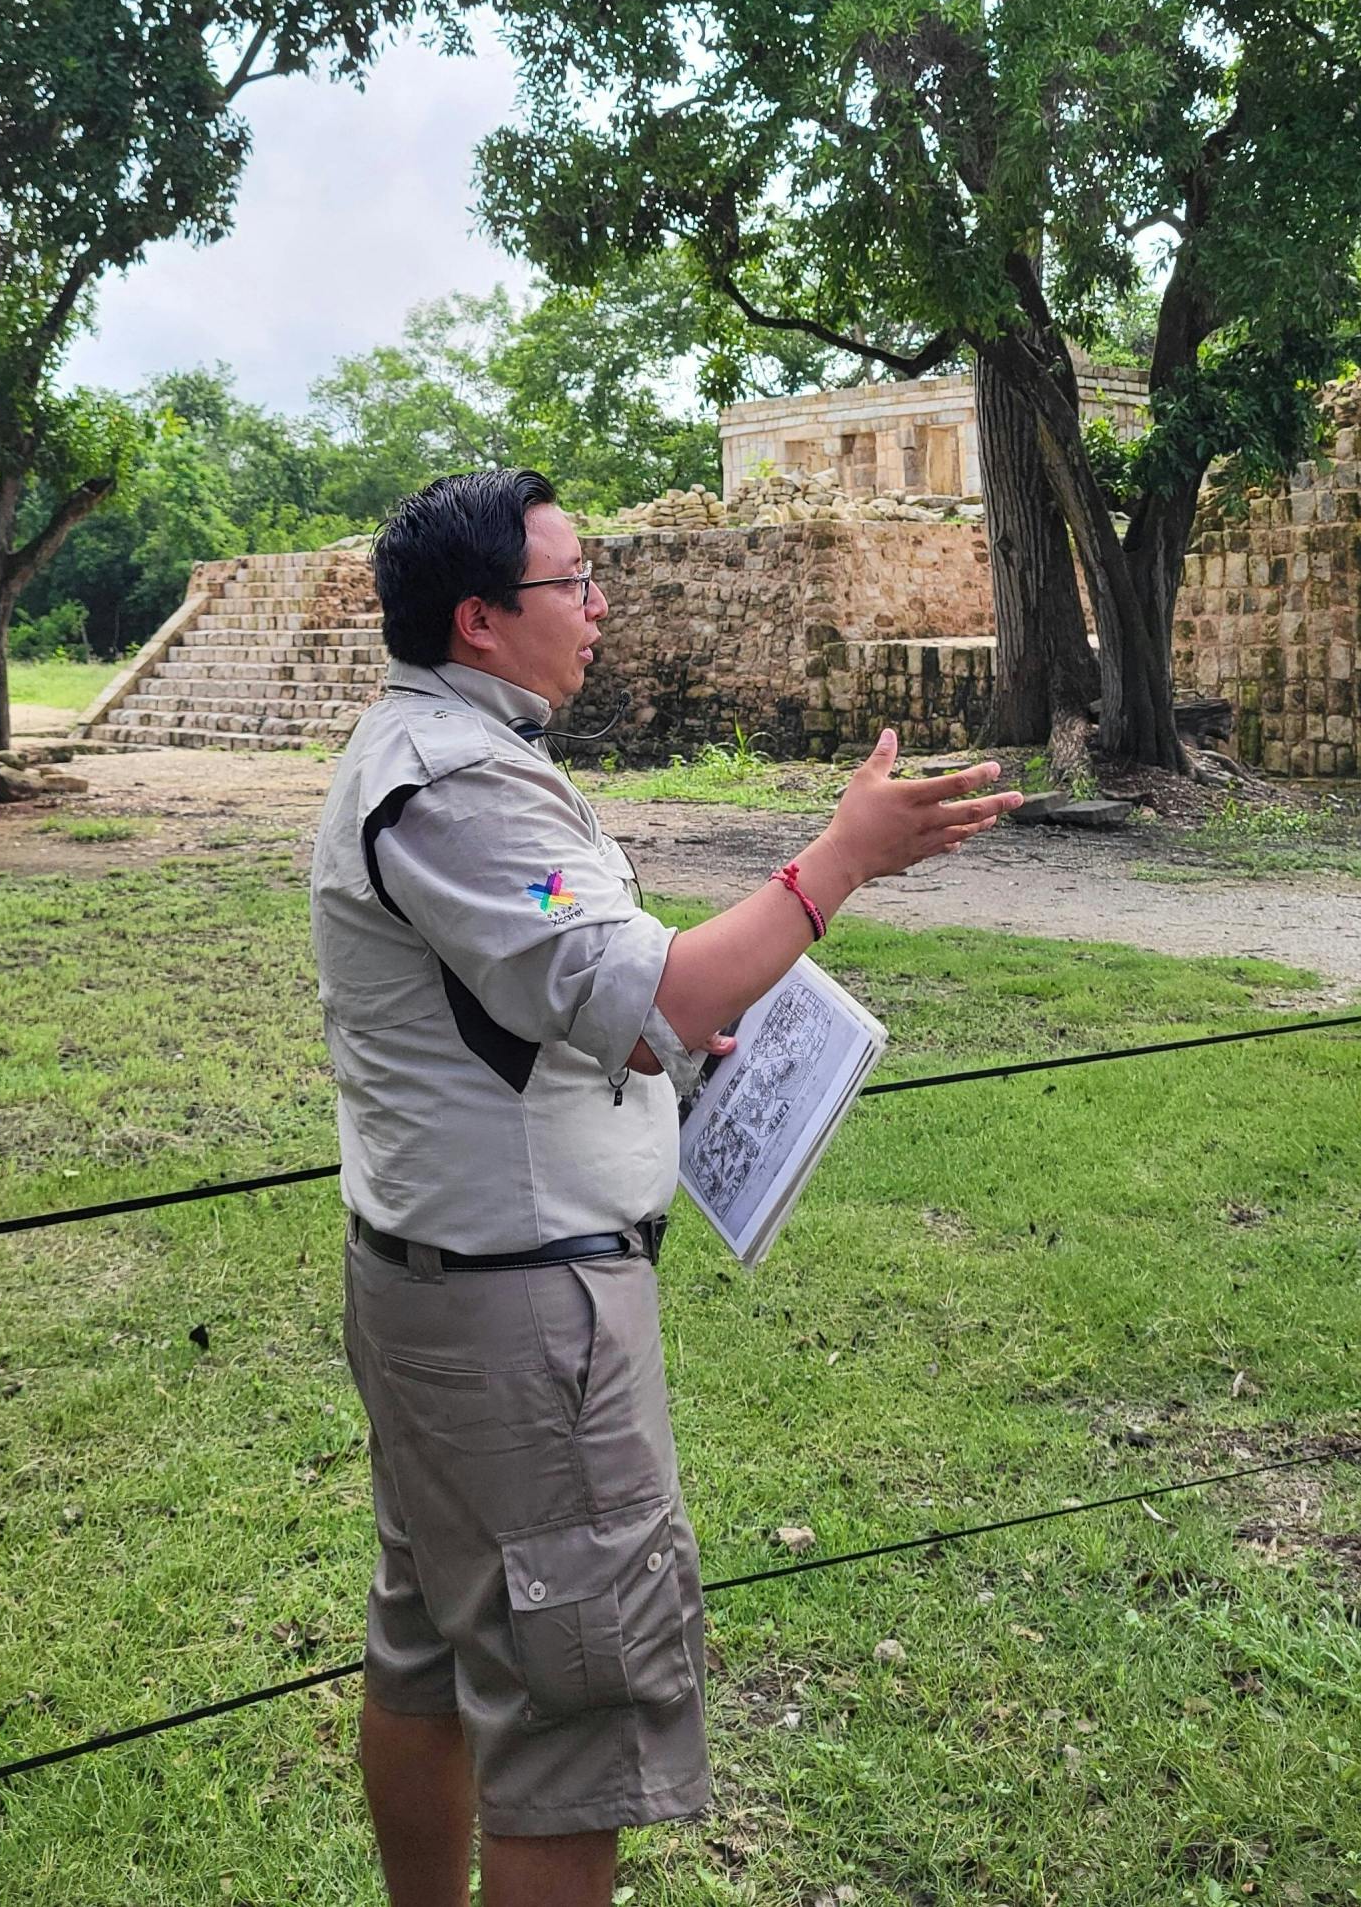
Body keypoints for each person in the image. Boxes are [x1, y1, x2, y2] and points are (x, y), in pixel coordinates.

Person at [310, 467, 1022, 1907]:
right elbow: (648, 1000)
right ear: (482, 619)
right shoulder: (454, 784)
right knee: (572, 1712)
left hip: (443, 1294)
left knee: (438, 1648)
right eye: (573, 583)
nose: (599, 605)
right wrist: (841, 861)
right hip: (522, 1328)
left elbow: (576, 1011)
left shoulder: (439, 746)